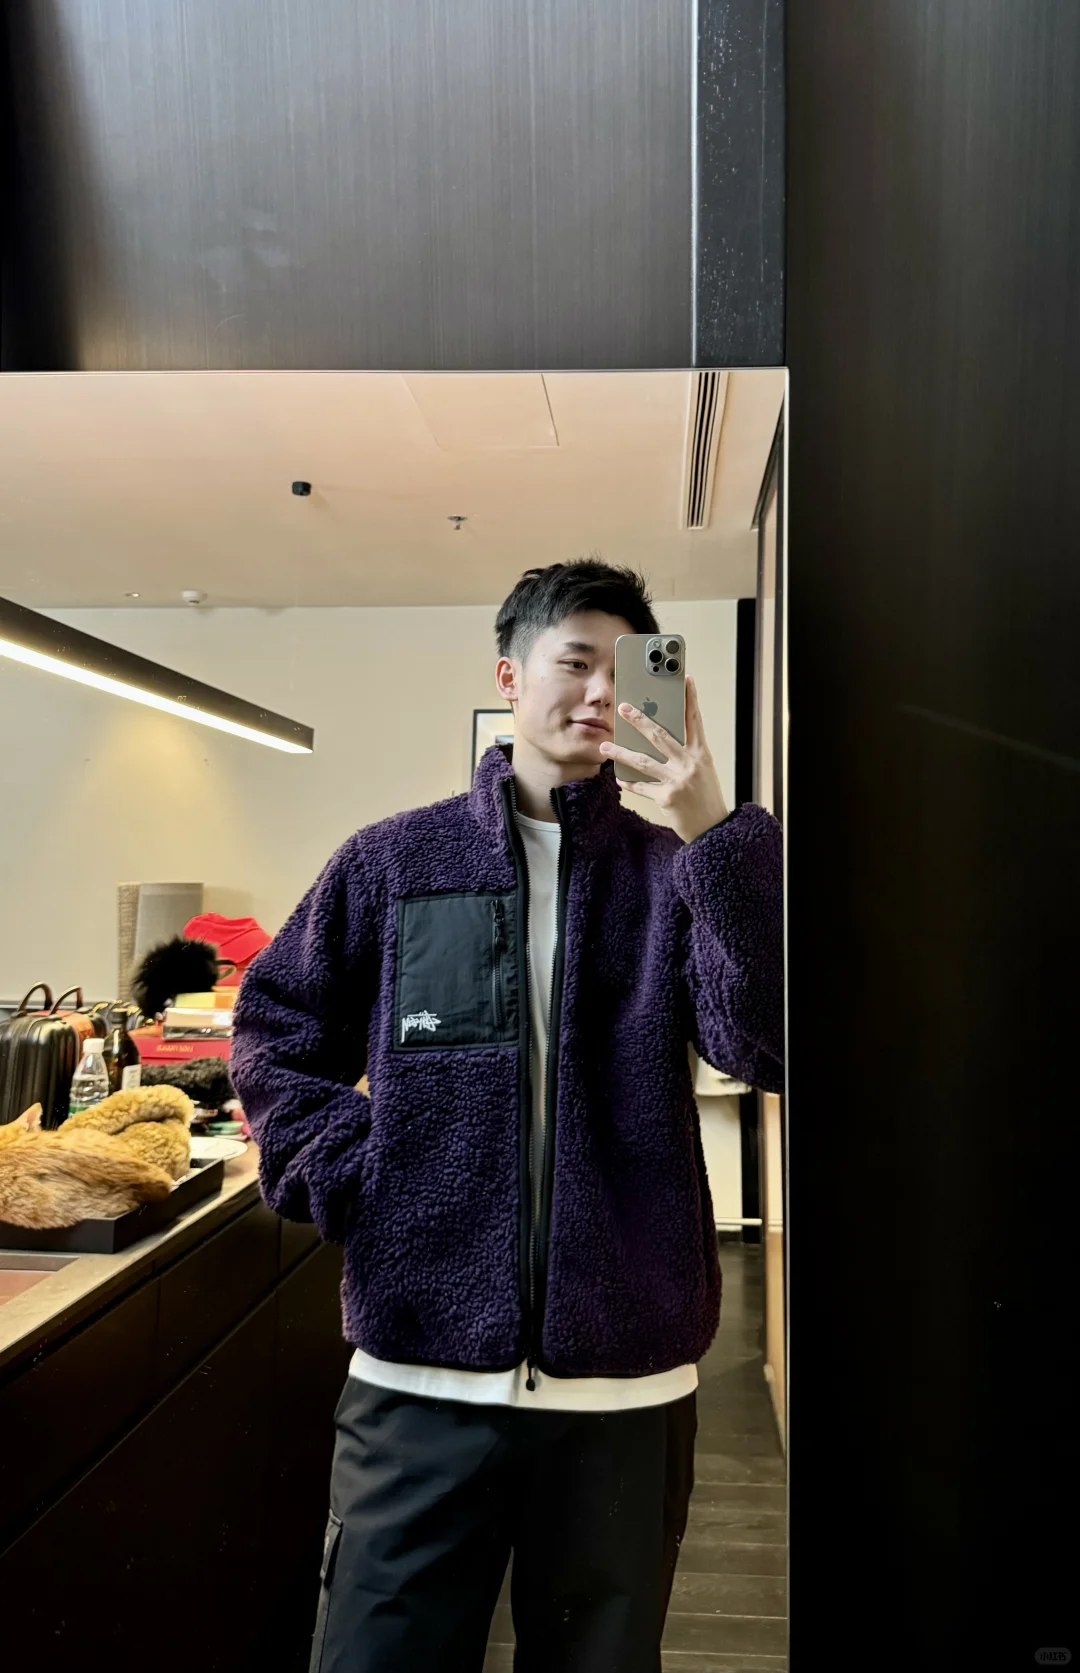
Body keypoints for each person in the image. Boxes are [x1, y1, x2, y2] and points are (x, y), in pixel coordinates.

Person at [230, 560, 785, 1673]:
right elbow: (274, 1028)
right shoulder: (394, 860)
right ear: (509, 676)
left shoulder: (674, 873)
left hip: (626, 1379)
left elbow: (763, 1043)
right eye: (573, 661)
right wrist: (354, 1173)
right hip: (418, 1374)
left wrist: (719, 834)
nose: (599, 691)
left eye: (623, 669)